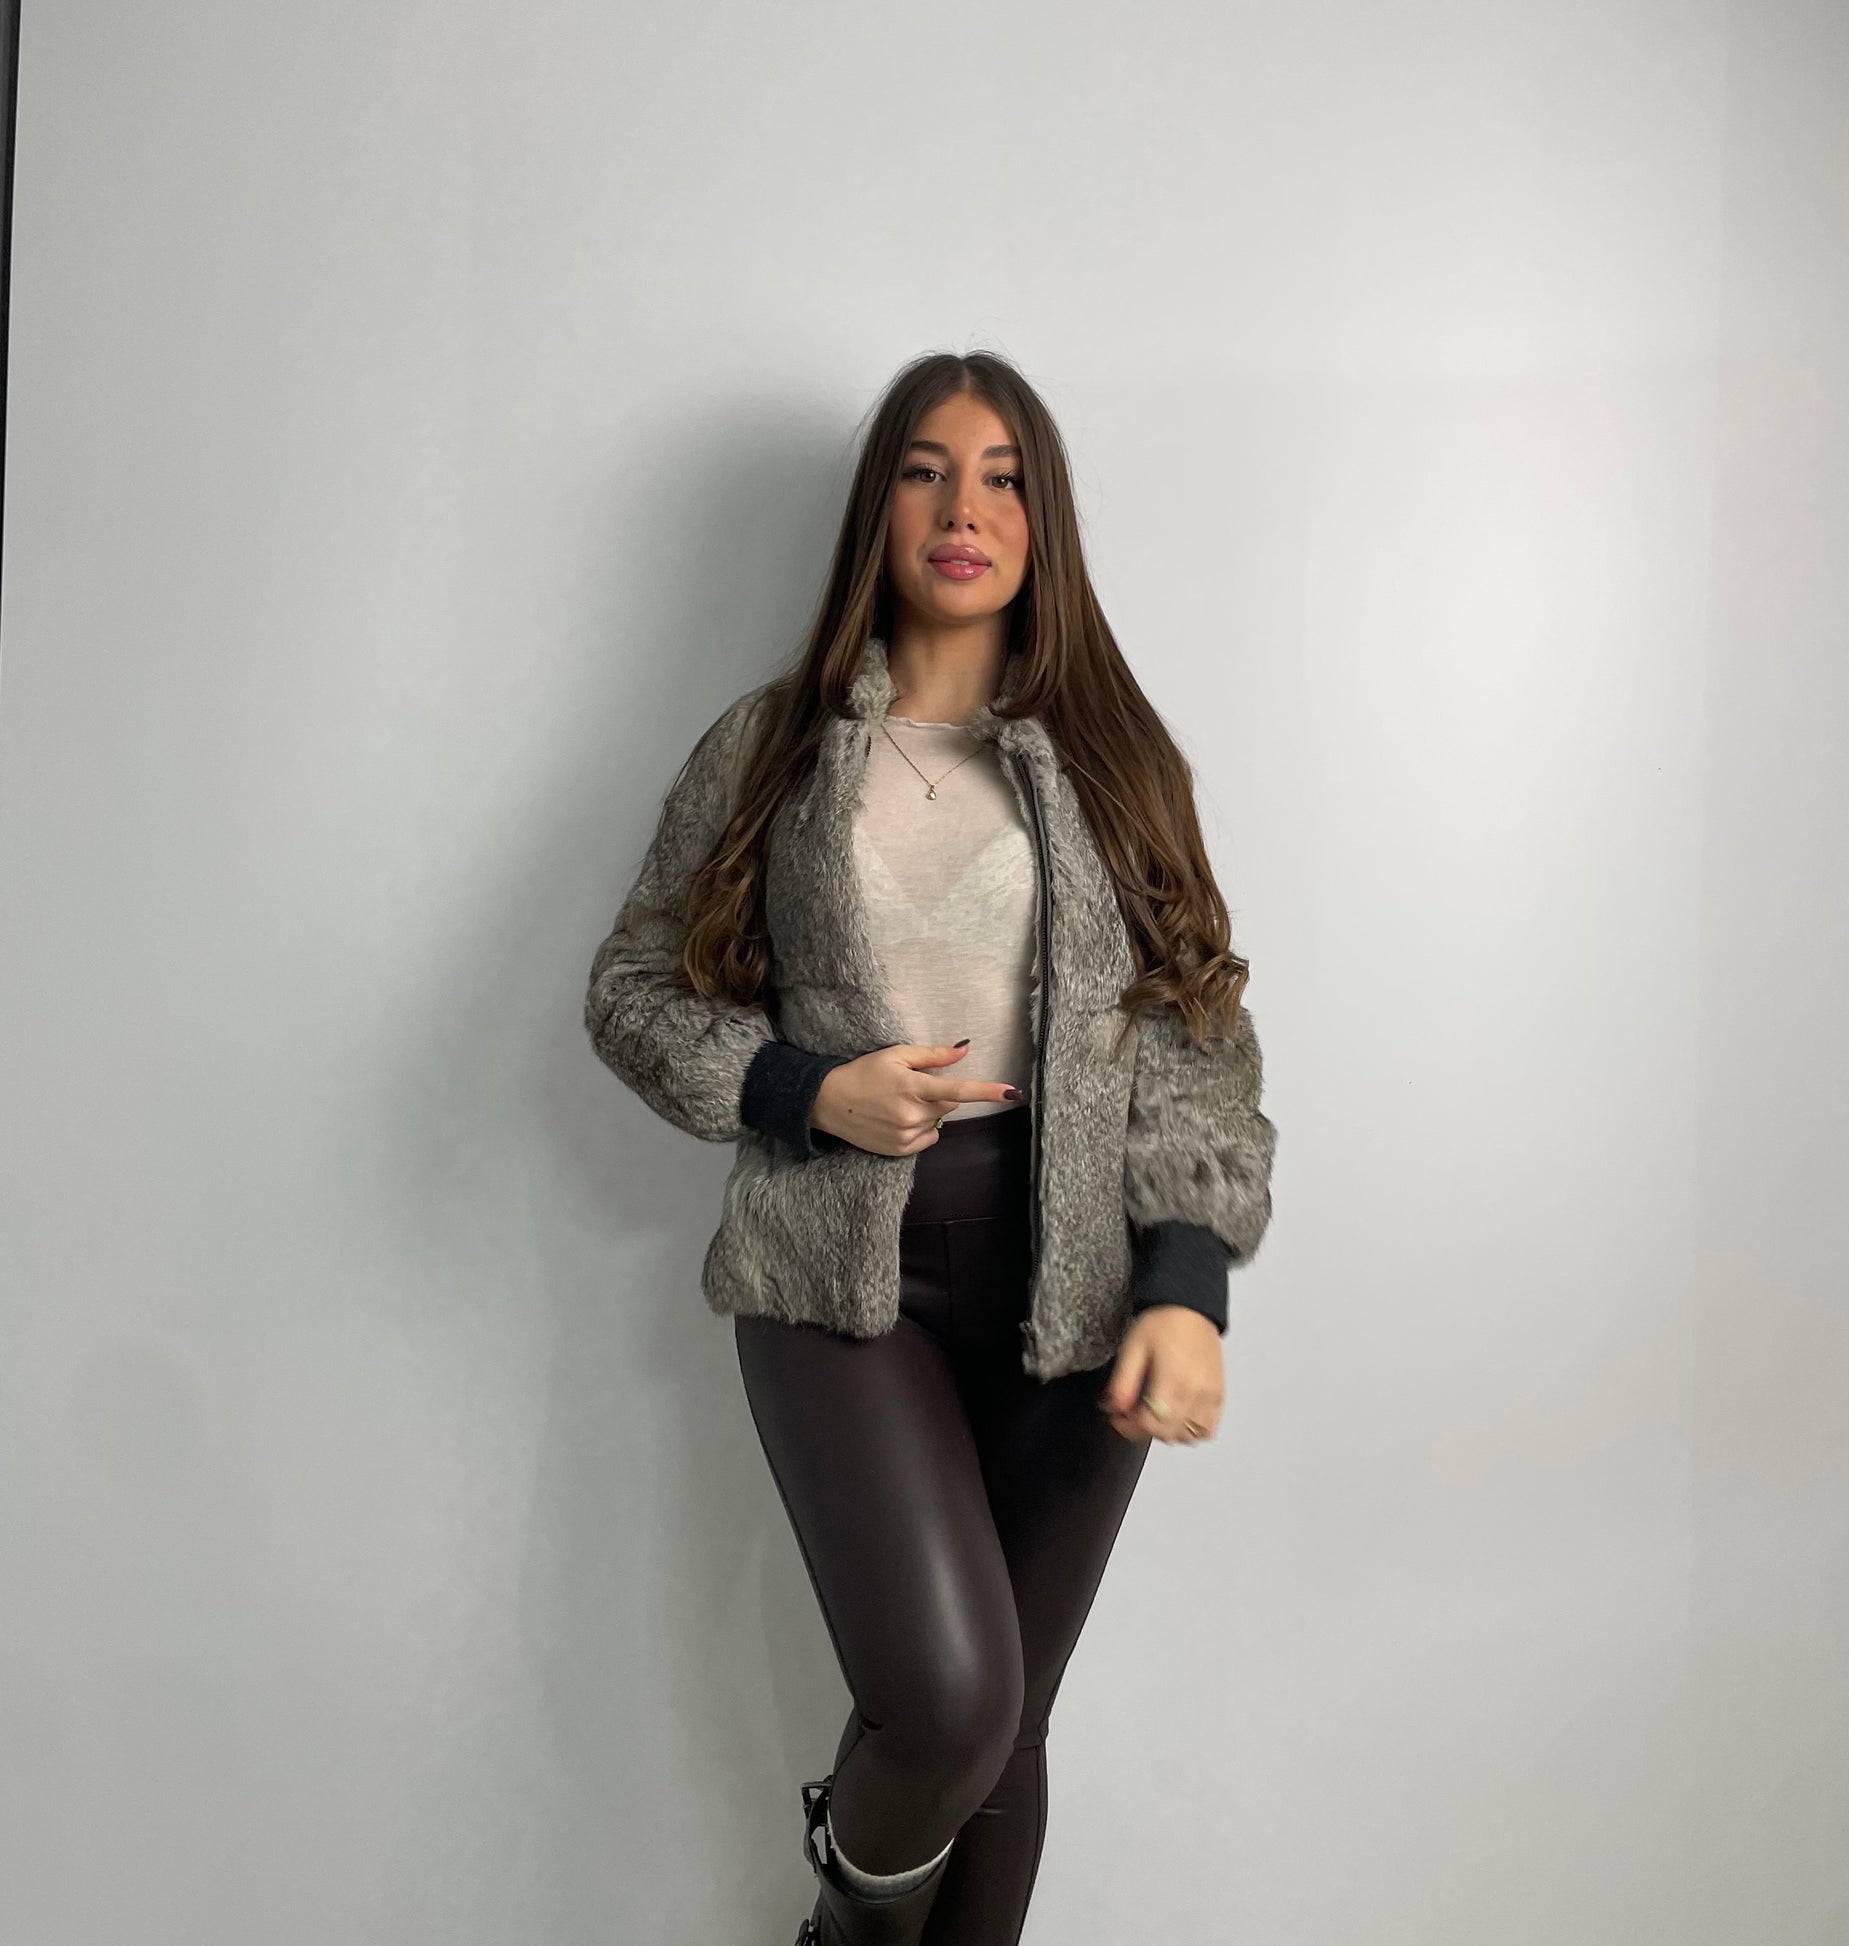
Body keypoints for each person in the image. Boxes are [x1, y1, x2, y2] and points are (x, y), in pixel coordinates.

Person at [584, 350, 1277, 1946]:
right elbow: (628, 992)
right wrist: (800, 1087)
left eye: (1002, 478)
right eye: (924, 469)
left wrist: (1186, 1280)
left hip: (1077, 1281)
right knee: (951, 1705)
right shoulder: (768, 746)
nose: (962, 508)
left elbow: (1195, 1033)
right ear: (877, 506)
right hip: (836, 1270)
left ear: (1043, 521)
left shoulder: (1114, 758)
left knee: (1007, 1735)